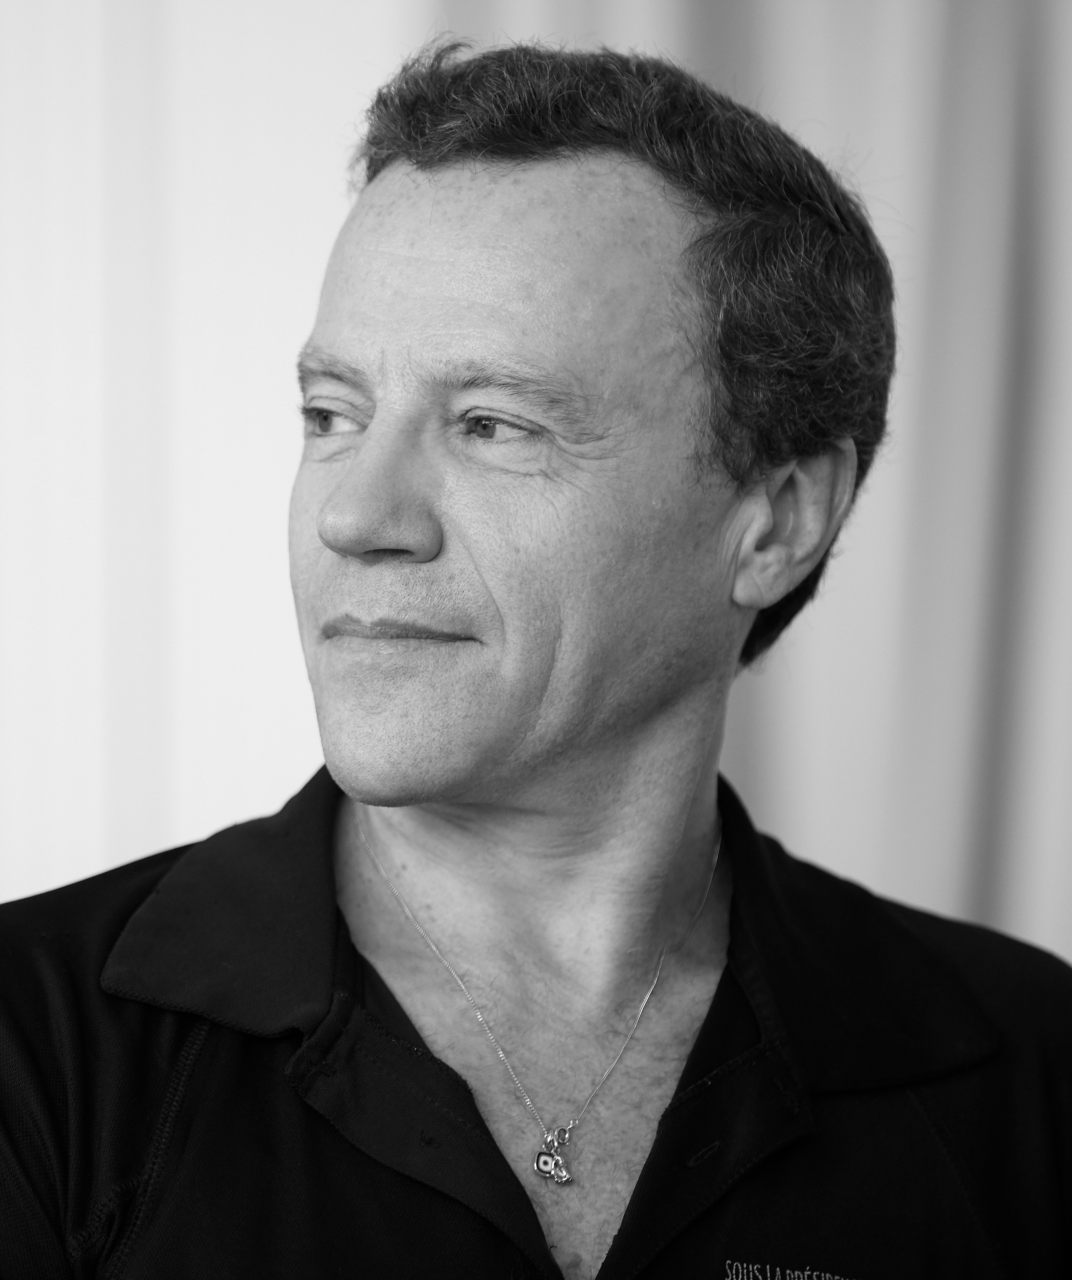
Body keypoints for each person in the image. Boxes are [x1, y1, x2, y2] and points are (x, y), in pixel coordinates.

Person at [1, 42, 1069, 1280]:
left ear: (775, 520)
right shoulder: (32, 1048)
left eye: (491, 424)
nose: (355, 514)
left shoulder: (1031, 1074)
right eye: (332, 413)